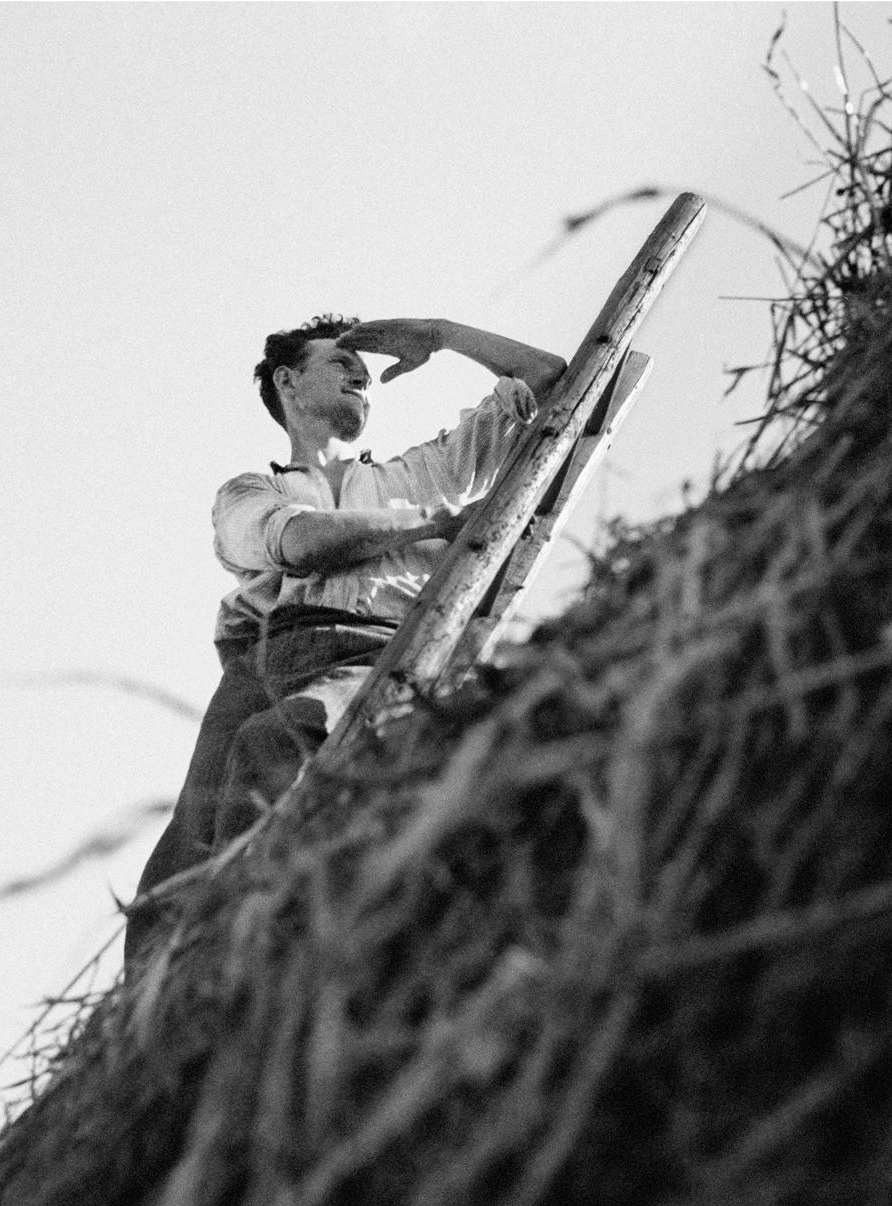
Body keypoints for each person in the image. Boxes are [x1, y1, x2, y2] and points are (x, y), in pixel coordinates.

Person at [124, 315, 566, 967]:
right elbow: (300, 543)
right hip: (260, 663)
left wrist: (441, 335)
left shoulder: (421, 471)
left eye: (365, 371)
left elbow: (548, 377)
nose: (362, 375)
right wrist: (429, 526)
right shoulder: (254, 492)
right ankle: (157, 1021)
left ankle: (252, 953)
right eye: (340, 364)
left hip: (379, 650)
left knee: (279, 741)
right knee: (181, 865)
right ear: (289, 382)